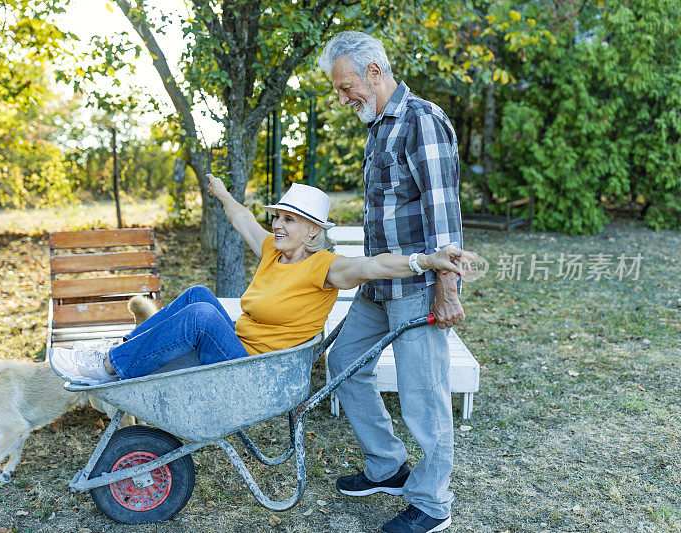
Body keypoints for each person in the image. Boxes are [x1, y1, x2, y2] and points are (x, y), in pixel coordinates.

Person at [49, 175, 471, 389]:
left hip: (260, 372)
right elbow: (244, 220)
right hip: (237, 349)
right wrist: (220, 194)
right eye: (278, 217)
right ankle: (121, 350)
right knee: (199, 295)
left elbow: (374, 267)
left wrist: (427, 260)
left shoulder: (325, 267)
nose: (278, 225)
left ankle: (109, 367)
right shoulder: (274, 249)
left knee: (200, 314)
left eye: (289, 220)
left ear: (313, 231)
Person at [317, 31, 465, 533]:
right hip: (380, 284)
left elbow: (443, 216)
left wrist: (447, 290)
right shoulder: (378, 126)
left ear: (375, 71)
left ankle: (431, 503)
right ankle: (388, 467)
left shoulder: (421, 120)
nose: (341, 98)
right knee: (343, 364)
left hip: (419, 287)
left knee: (424, 392)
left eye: (345, 86)